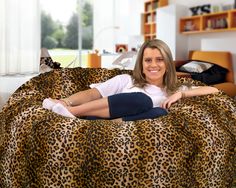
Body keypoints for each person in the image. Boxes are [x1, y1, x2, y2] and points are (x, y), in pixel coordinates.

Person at [42, 39, 219, 120]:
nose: (153, 65)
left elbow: (215, 90)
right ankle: (70, 111)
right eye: (148, 60)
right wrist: (65, 101)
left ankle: (71, 112)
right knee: (141, 99)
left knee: (160, 112)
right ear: (141, 64)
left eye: (159, 60)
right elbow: (92, 94)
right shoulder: (126, 80)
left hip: (117, 123)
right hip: (95, 116)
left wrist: (180, 95)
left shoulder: (174, 90)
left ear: (167, 63)